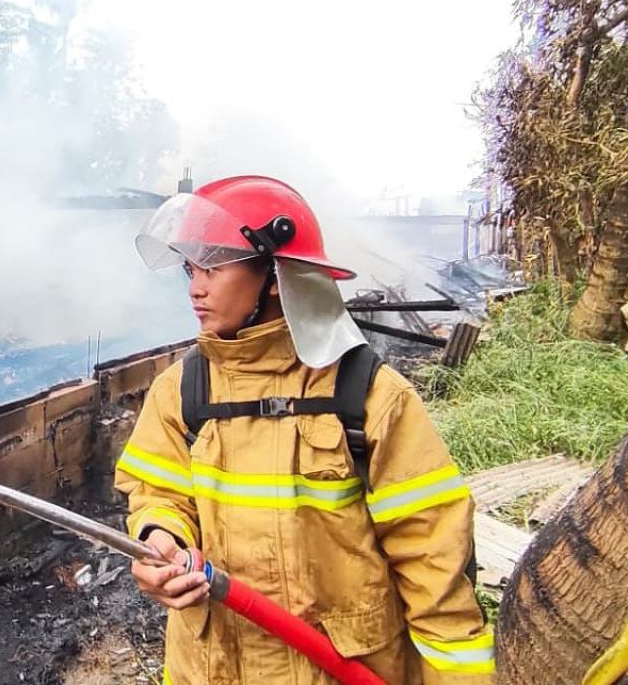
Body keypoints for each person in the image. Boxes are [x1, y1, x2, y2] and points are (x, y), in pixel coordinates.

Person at [114, 175, 493, 683]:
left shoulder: (371, 396)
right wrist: (162, 537)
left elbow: (433, 558)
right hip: (211, 668)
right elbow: (157, 493)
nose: (195, 288)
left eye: (214, 268)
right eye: (191, 269)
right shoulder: (180, 391)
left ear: (276, 275)